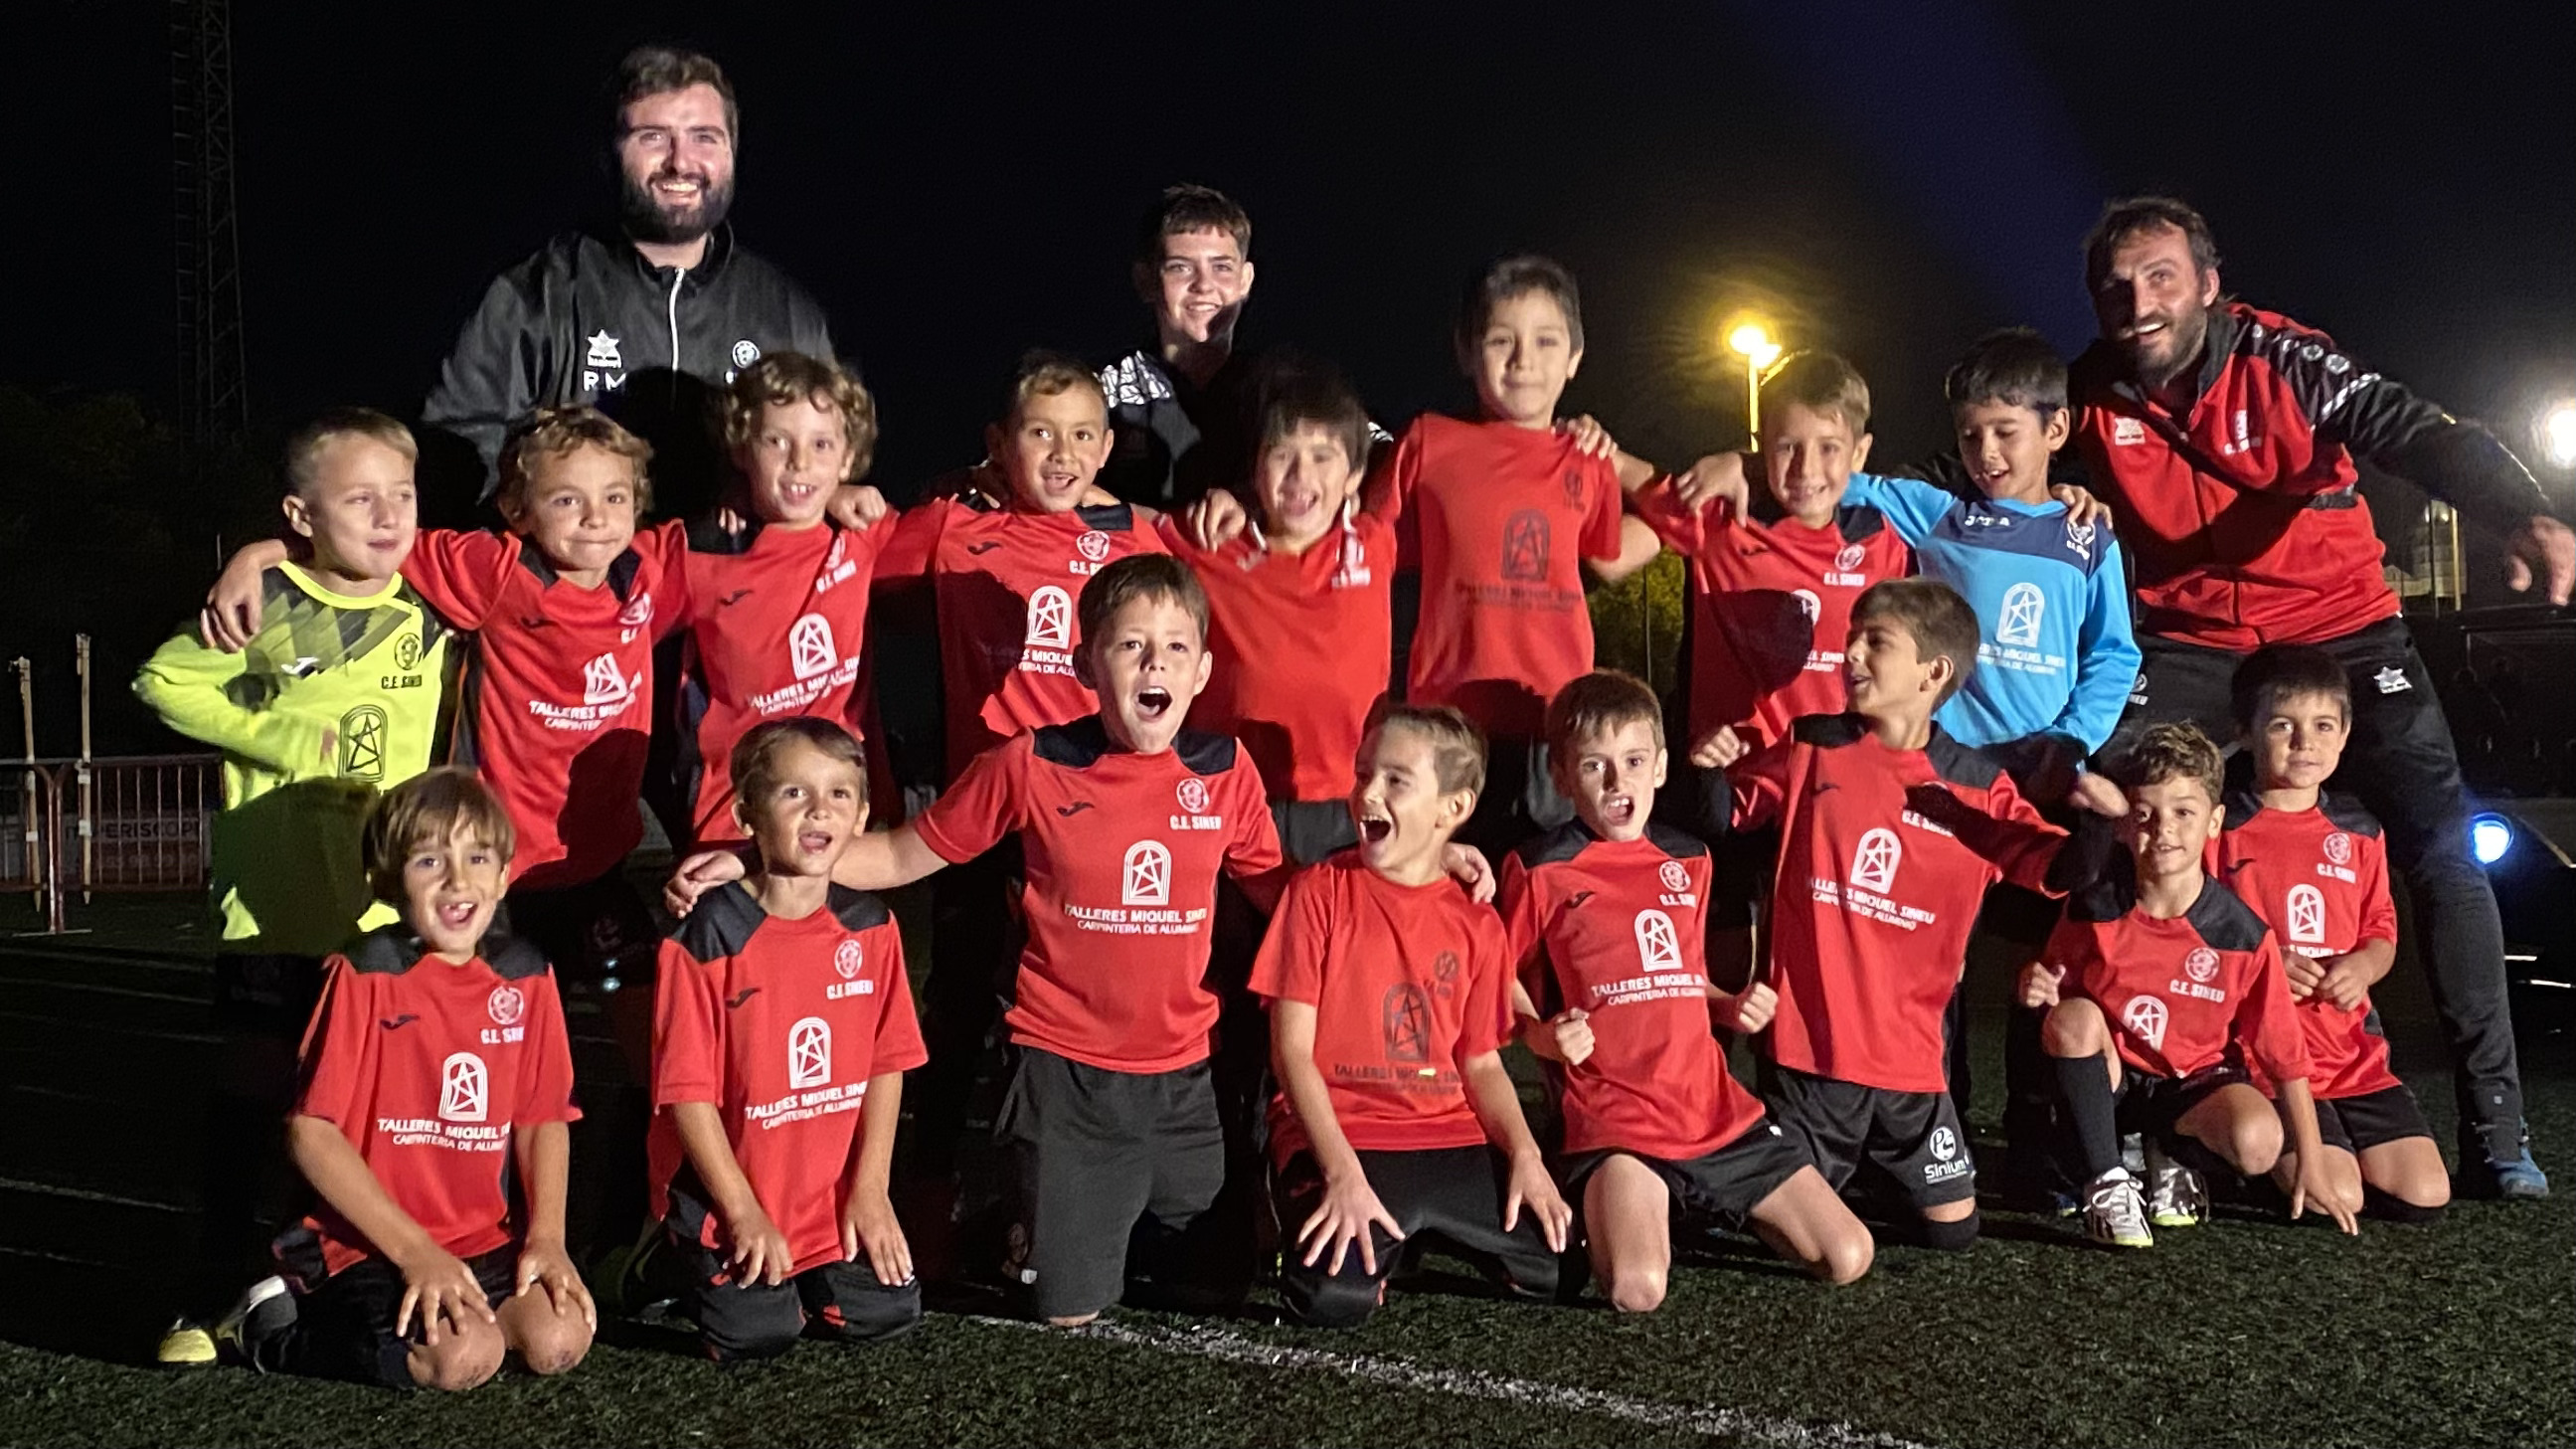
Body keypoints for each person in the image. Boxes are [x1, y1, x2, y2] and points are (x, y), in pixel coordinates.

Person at [2068, 195, 2572, 1196]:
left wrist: (2519, 511)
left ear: (2208, 286)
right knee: (2100, 810)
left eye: (2161, 276)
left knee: (2441, 843)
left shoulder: (2285, 360)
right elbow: (1979, 450)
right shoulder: (2086, 391)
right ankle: (2109, 1114)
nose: (2140, 302)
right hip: (2192, 637)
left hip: (2342, 623)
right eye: (2117, 287)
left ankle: (2497, 1130)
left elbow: (2410, 428)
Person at [667, 557, 1290, 1324]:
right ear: (1085, 665)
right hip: (1066, 1071)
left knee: (1212, 1289)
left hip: (1185, 1074)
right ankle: (1016, 1214)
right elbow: (900, 856)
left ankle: (1087, 1203)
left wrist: (1398, 886)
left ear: (1201, 672)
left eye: (1174, 647)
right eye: (1130, 645)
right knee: (1065, 1309)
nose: (1153, 663)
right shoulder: (1030, 763)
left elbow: (1280, 893)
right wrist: (752, 855)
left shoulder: (1225, 771)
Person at [200, 408, 683, 1051]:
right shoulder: (494, 569)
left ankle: (646, 1123)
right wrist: (259, 553)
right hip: (492, 870)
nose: (595, 517)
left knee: (653, 1022)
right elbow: (369, 542)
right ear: (517, 509)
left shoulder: (649, 568)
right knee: (487, 1042)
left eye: (615, 497)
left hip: (596, 862)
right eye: (567, 499)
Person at [136, 409, 451, 1362]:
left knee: (359, 1112)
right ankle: (213, 1286)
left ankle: (334, 1276)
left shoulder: (433, 599)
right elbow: (162, 682)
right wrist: (285, 738)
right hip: (271, 910)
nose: (388, 516)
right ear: (302, 514)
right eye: (360, 500)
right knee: (255, 1099)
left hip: (385, 917)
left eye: (402, 495)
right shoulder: (267, 603)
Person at [1717, 581, 2091, 1250]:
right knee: (1776, 1226)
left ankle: (1866, 1167)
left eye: (1876, 642)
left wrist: (2099, 819)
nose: (1851, 653)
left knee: (1953, 1233)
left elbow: (2058, 870)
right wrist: (1706, 769)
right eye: (1852, 637)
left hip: (1913, 1065)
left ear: (1932, 671)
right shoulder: (1811, 745)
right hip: (1810, 1057)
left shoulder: (1977, 787)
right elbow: (1725, 816)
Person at [868, 354, 1168, 1179]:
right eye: (1041, 433)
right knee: (960, 1001)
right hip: (978, 814)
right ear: (998, 444)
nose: (1062, 454)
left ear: (1104, 447)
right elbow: (853, 568)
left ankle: (1046, 1186)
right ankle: (926, 1184)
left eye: (1081, 435)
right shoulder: (948, 523)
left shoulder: (1134, 536)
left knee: (1062, 1008)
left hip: (1090, 822)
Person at [1502, 672, 1873, 1308]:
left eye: (1633, 761)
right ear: (1561, 777)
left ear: (1661, 767)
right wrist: (1542, 1036)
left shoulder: (1691, 858)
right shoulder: (1539, 868)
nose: (1617, 782)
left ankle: (1697, 1197)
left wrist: (1728, 1004)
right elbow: (1494, 980)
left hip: (1713, 1112)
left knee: (1848, 1256)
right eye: (1594, 766)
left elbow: (1679, 973)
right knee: (1636, 1289)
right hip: (1616, 1120)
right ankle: (1627, 1197)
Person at [229, 770, 591, 1389]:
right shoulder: (364, 974)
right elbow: (312, 1133)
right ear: (389, 883)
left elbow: (542, 1118)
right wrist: (416, 1253)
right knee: (460, 1359)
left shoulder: (526, 976)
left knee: (560, 1338)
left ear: (504, 875)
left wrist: (547, 1238)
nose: (458, 881)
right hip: (369, 1242)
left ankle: (470, 1315)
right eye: (429, 861)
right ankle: (271, 1329)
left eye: (478, 858)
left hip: (480, 1235)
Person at [422, 46, 836, 523]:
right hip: (577, 568)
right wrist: (542, 526)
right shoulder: (538, 296)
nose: (681, 162)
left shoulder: (786, 313)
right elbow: (457, 453)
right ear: (609, 153)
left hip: (734, 567)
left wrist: (833, 496)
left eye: (704, 138)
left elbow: (829, 447)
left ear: (732, 152)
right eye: (653, 137)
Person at [1254, 703, 1570, 1327]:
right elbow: (1291, 1052)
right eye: (1364, 773)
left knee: (1561, 1267)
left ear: (1453, 808)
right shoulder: (1317, 892)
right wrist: (1342, 1173)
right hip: (1346, 1135)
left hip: (1446, 1134)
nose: (1368, 793)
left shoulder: (1478, 922)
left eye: (1396, 780)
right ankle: (1359, 1231)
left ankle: (1410, 1238)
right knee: (1330, 1299)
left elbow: (1481, 1064)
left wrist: (1526, 1155)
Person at [647, 720, 926, 1360]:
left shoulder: (871, 927)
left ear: (861, 818)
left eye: (839, 794)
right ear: (746, 815)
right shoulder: (707, 936)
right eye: (794, 793)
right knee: (757, 1333)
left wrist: (871, 1189)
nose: (819, 810)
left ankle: (811, 1264)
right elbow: (687, 1094)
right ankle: (663, 1256)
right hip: (732, 1196)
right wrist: (742, 1211)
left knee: (888, 1311)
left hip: (825, 1198)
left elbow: (886, 1063)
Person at [1366, 256, 1661, 852]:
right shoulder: (1428, 443)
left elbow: (1637, 538)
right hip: (1450, 721)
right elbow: (1362, 549)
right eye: (1502, 340)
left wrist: (1622, 465)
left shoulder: (1586, 459)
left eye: (1546, 341)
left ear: (1575, 357)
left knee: (1547, 882)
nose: (1524, 360)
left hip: (1555, 725)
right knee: (1442, 883)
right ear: (1467, 351)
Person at [2019, 723, 2354, 1247]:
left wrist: (2310, 1158)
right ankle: (2107, 1181)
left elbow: (2285, 1055)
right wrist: (2036, 986)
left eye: (2183, 813)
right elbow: (2052, 986)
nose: (2163, 830)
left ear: (2214, 822)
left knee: (2258, 1142)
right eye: (2144, 814)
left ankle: (2171, 1150)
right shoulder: (2094, 904)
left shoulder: (2241, 934)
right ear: (2124, 825)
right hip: (2114, 1082)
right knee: (2073, 1019)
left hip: (2190, 1084)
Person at [2218, 647, 2451, 1222]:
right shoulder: (2219, 827)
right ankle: (2232, 1157)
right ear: (2244, 732)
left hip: (2351, 1054)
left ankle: (2336, 1143)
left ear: (2345, 734)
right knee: (2338, 1196)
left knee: (2425, 1193)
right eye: (2282, 726)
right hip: (2263, 1057)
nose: (2305, 743)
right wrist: (2266, 961)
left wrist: (2364, 967)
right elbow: (2189, 930)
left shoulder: (2359, 829)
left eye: (2323, 726)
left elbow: (2381, 930)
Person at [1629, 351, 1913, 778]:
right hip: (1729, 772)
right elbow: (1635, 487)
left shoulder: (1883, 542)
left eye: (1828, 448)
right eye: (1787, 447)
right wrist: (1584, 441)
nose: (1806, 469)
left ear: (1860, 452)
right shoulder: (1724, 520)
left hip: (1838, 777)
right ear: (1763, 447)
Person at [668, 353, 892, 851]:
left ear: (848, 457)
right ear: (742, 447)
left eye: (821, 444)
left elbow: (969, 533)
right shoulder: (700, 554)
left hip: (842, 818)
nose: (800, 462)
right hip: (738, 824)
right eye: (777, 441)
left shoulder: (864, 533)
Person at [1097, 185, 1262, 507]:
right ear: (1145, 280)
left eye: (1222, 267)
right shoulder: (1099, 387)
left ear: (1245, 280)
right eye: (1180, 267)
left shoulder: (1279, 388)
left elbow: (1356, 454)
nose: (1203, 285)